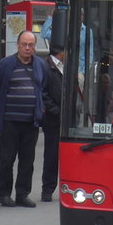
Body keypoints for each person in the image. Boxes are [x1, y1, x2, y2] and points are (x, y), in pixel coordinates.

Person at [0, 31, 47, 208]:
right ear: (18, 45)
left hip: (31, 121)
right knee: (7, 159)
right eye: (24, 44)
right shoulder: (6, 64)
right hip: (9, 121)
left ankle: (22, 194)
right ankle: (3, 194)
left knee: (27, 160)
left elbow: (43, 88)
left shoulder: (40, 65)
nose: (28, 48)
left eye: (31, 45)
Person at [40, 43, 65, 203]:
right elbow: (43, 93)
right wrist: (56, 111)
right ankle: (47, 189)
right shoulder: (46, 67)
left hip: (65, 119)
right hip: (53, 119)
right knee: (51, 155)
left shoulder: (65, 67)